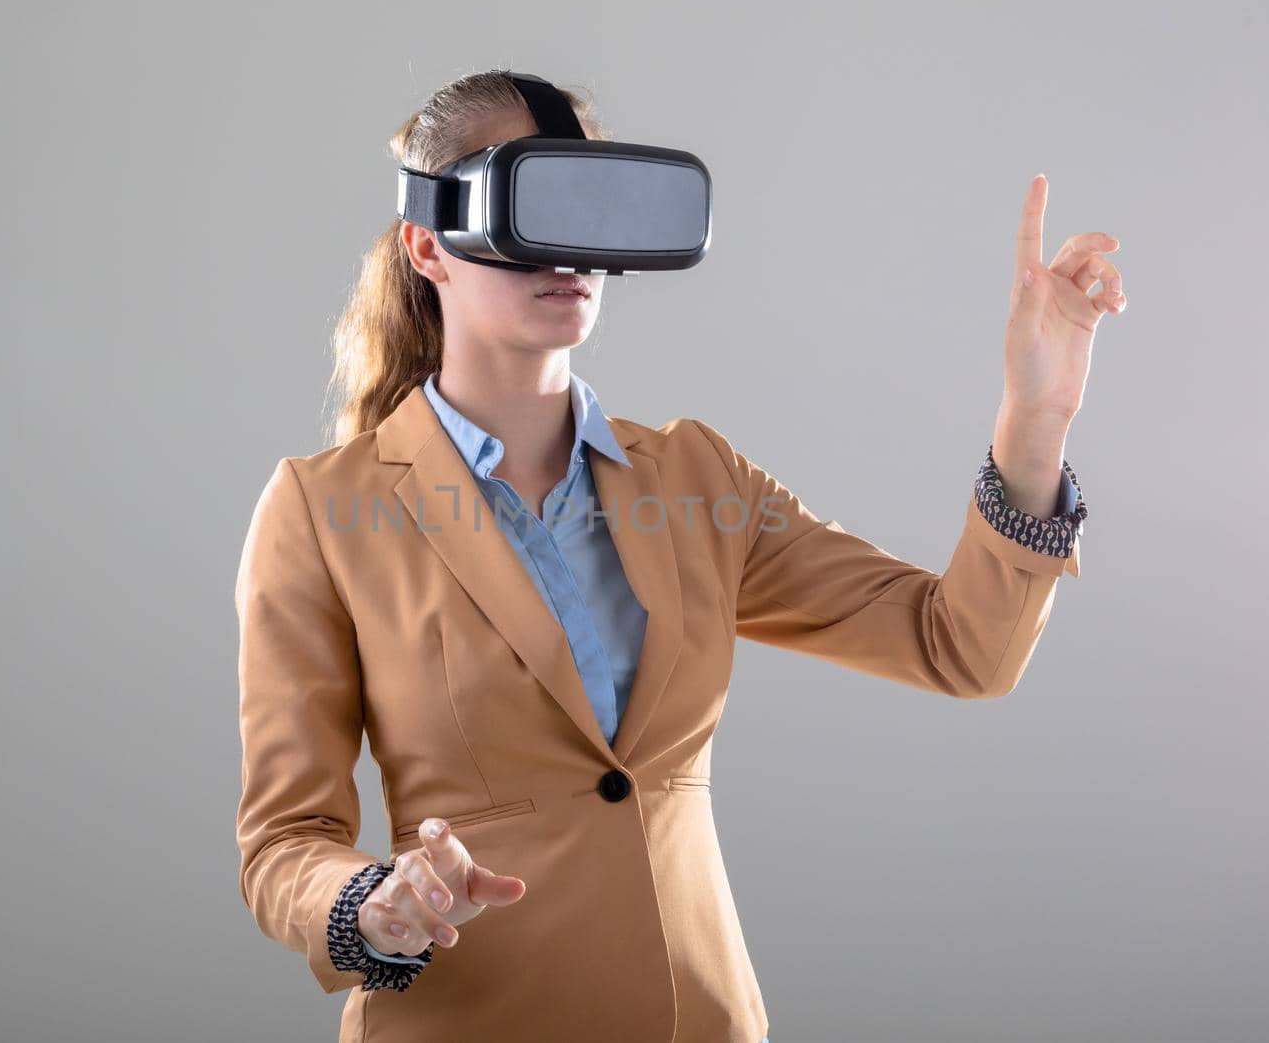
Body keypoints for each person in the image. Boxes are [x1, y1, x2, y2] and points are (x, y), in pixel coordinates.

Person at [235, 69, 1117, 1043]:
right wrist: (369, 903)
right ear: (426, 243)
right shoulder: (324, 510)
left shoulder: (697, 479)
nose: (564, 250)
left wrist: (1034, 417)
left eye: (589, 206)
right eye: (530, 203)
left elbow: (961, 648)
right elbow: (284, 841)